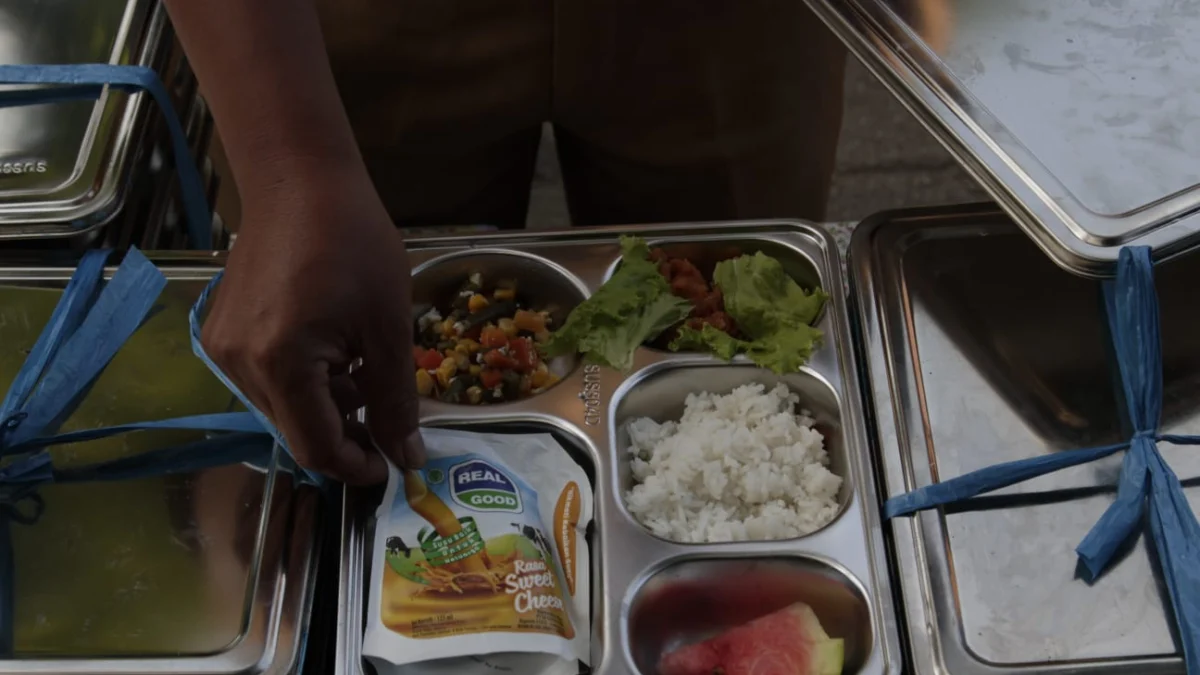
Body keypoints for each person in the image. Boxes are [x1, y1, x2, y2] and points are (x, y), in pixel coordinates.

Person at [162, 0, 847, 485]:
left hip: (739, 20)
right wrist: (289, 166)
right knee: (333, 363)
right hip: (355, 24)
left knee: (739, 320)